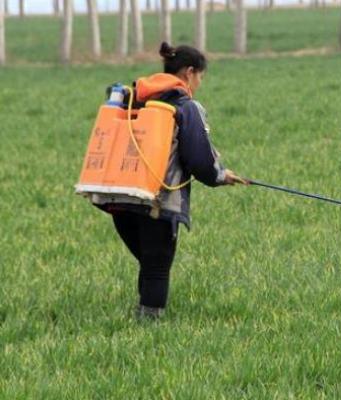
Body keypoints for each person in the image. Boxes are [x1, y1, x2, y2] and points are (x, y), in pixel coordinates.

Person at [105, 42, 246, 319]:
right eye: (201, 77)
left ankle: (142, 314)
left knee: (149, 260)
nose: (199, 84)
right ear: (190, 72)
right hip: (157, 199)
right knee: (158, 264)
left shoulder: (134, 98)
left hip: (118, 196)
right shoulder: (186, 106)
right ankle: (148, 327)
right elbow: (199, 159)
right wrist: (219, 175)